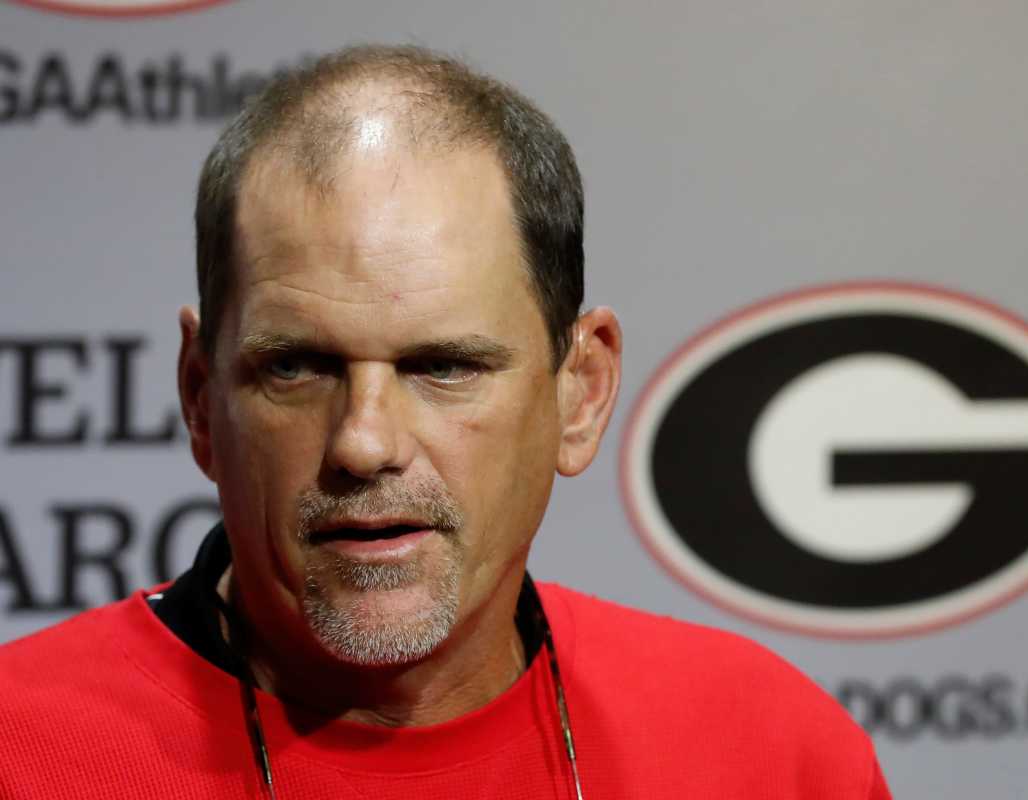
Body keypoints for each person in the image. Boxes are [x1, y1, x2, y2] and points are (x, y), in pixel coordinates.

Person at [0, 44, 891, 799]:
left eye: (445, 367)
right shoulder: (22, 749)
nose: (365, 442)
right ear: (200, 398)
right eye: (297, 367)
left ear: (578, 391)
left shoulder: (769, 751)